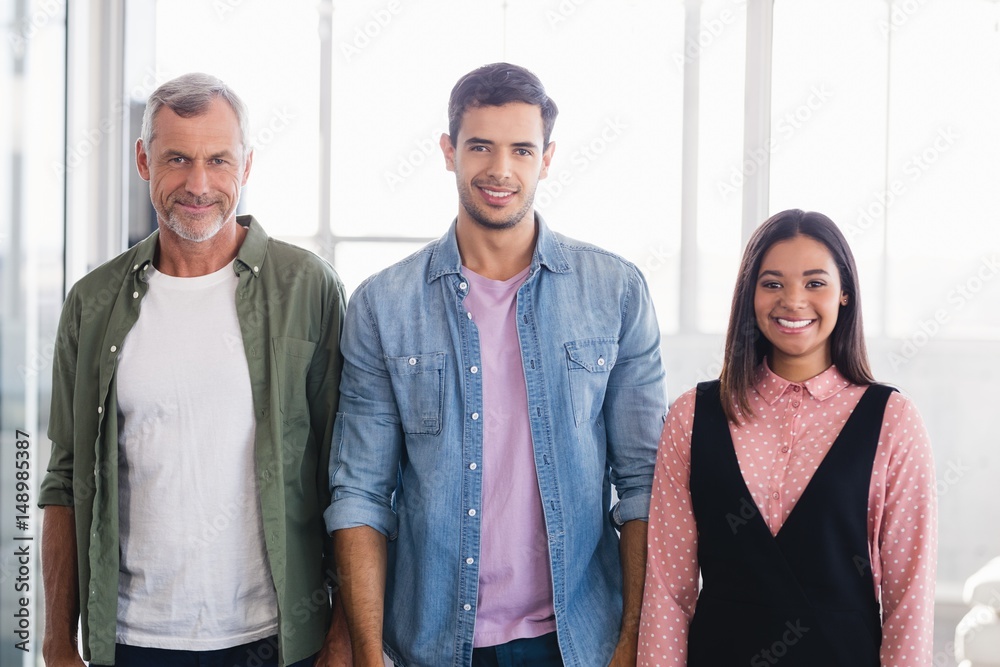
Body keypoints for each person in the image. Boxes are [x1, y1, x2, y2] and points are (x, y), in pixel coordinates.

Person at [325, 62, 667, 667]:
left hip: (577, 641)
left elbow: (643, 485)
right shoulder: (384, 305)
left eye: (521, 149)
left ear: (548, 157)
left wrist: (632, 639)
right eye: (480, 146)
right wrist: (370, 654)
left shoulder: (615, 292)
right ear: (448, 150)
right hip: (429, 643)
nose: (500, 170)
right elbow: (361, 493)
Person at [39, 73, 350, 667]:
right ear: (142, 160)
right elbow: (63, 478)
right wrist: (55, 643)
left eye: (219, 160)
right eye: (177, 158)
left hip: (278, 641)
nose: (198, 184)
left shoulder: (307, 287)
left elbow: (350, 474)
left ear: (248, 165)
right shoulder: (92, 303)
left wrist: (342, 639)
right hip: (132, 643)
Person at [637, 209, 937, 666]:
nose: (793, 301)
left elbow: (908, 602)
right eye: (773, 283)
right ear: (749, 296)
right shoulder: (692, 416)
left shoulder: (893, 421)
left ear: (844, 295)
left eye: (815, 283)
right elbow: (667, 590)